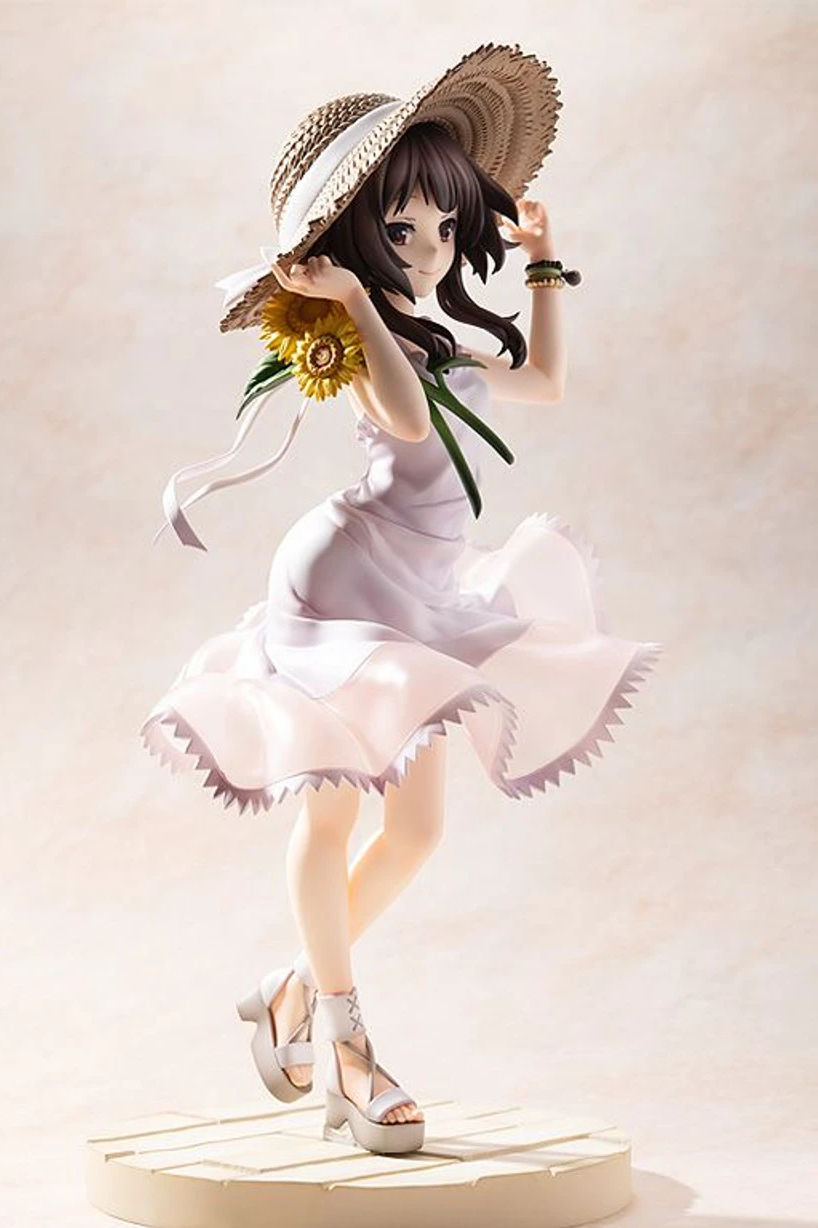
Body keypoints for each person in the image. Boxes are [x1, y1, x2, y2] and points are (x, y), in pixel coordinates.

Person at [140, 44, 662, 1156]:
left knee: (417, 828)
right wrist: (349, 300)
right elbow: (412, 420)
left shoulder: (435, 338)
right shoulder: (350, 342)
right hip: (341, 585)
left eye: (442, 226)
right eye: (399, 228)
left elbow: (546, 381)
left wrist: (544, 265)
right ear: (349, 243)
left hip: (421, 586)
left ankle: (290, 987)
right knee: (331, 810)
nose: (428, 249)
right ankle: (345, 1041)